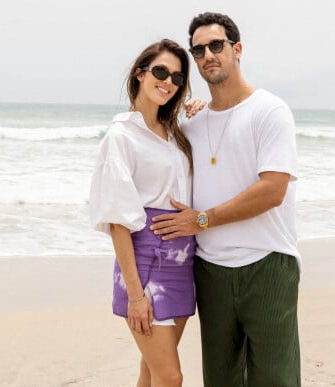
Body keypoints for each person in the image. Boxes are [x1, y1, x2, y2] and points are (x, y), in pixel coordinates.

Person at [150, 12, 302, 387]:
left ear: (237, 49)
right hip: (210, 271)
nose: (207, 56)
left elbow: (272, 190)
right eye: (198, 50)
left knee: (275, 380)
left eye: (216, 45)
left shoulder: (270, 111)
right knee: (220, 379)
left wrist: (201, 220)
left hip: (267, 264)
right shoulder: (191, 123)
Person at [89, 39, 203, 386]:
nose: (168, 81)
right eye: (160, 71)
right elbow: (118, 222)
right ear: (140, 74)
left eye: (178, 78)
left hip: (183, 264)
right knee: (170, 377)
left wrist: (203, 111)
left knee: (151, 372)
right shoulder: (121, 137)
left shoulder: (175, 134)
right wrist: (136, 296)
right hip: (145, 265)